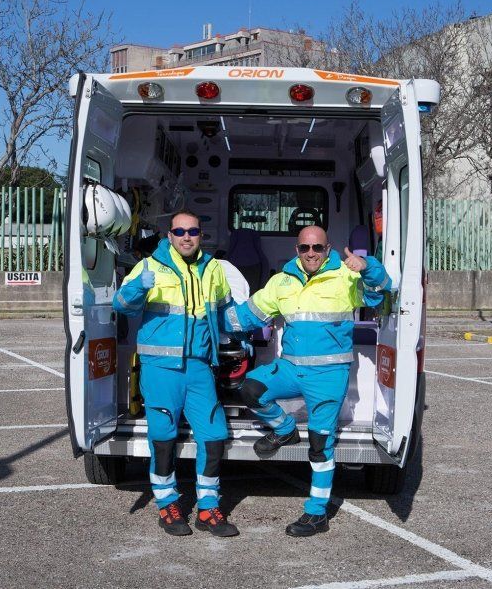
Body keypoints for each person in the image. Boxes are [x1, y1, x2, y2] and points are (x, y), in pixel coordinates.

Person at [223, 225, 393, 536]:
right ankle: (285, 431)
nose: (311, 253)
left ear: (328, 249)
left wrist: (368, 267)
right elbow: (246, 316)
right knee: (251, 389)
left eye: (317, 248)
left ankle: (316, 513)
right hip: (290, 368)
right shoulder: (282, 282)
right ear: (297, 250)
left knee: (320, 444)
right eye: (305, 248)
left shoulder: (346, 276)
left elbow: (381, 289)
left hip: (329, 375)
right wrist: (205, 318)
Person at [112, 211, 239, 537]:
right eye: (179, 231)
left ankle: (208, 508)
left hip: (199, 367)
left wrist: (245, 332)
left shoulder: (213, 269)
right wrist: (138, 288)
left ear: (200, 234)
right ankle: (167, 504)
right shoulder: (149, 266)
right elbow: (121, 304)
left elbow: (225, 311)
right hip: (160, 369)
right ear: (169, 235)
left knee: (214, 437)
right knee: (164, 440)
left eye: (192, 231)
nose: (186, 236)